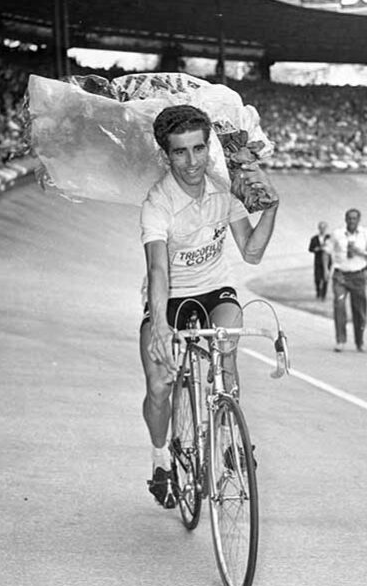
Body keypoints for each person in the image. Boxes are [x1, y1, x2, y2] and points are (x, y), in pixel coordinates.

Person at [138, 104, 279, 508]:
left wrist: (271, 209)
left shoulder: (224, 189)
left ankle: (232, 438)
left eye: (198, 149)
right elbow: (158, 268)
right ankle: (161, 458)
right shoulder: (157, 202)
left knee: (227, 347)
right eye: (180, 152)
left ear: (208, 147)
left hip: (215, 289)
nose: (192, 162)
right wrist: (161, 327)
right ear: (167, 155)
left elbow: (251, 253)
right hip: (173, 294)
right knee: (160, 383)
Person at [329, 209, 367, 352]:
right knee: (339, 305)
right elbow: (328, 250)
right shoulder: (337, 234)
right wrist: (327, 268)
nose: (351, 221)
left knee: (359, 309)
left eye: (354, 219)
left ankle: (359, 341)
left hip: (358, 275)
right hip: (341, 275)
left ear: (359, 220)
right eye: (349, 218)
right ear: (345, 219)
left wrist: (359, 251)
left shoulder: (366, 234)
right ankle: (340, 340)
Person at [308, 220, 332, 300]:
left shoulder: (329, 238)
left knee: (325, 278)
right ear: (319, 228)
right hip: (318, 261)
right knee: (317, 278)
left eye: (324, 228)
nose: (322, 229)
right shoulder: (314, 238)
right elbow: (310, 249)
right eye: (321, 228)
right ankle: (318, 292)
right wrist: (317, 249)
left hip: (327, 260)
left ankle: (323, 295)